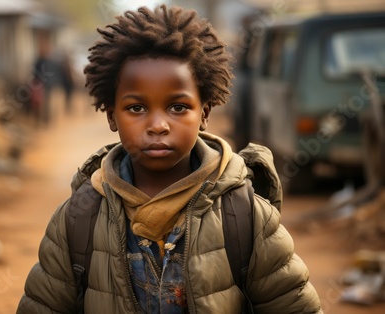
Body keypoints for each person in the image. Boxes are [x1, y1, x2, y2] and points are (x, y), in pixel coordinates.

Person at [17, 5, 323, 313]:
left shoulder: (244, 215)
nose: (158, 125)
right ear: (111, 116)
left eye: (178, 107)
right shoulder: (78, 219)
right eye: (136, 108)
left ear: (204, 113)